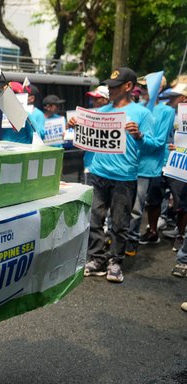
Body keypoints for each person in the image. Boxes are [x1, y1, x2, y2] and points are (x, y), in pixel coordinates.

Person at [75, 67, 156, 283]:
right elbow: (86, 137)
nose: (109, 90)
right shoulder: (102, 112)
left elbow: (155, 146)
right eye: (109, 86)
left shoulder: (142, 114)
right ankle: (97, 258)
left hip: (124, 177)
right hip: (98, 173)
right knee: (95, 219)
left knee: (119, 223)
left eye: (114, 86)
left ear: (128, 87)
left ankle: (115, 261)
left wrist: (139, 136)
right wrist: (76, 125)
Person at [126, 76, 173, 256]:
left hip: (146, 165)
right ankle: (120, 237)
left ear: (158, 89)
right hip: (128, 163)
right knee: (121, 204)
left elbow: (160, 142)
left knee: (137, 208)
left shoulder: (166, 111)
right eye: (142, 86)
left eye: (147, 86)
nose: (143, 89)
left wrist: (140, 137)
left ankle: (132, 240)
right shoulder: (138, 108)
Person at [142, 83, 187, 252]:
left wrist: (182, 149)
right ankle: (153, 231)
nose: (169, 100)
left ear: (184, 98)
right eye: (168, 96)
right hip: (159, 162)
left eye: (173, 97)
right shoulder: (161, 112)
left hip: (179, 164)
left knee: (181, 202)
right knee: (153, 199)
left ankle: (181, 235)